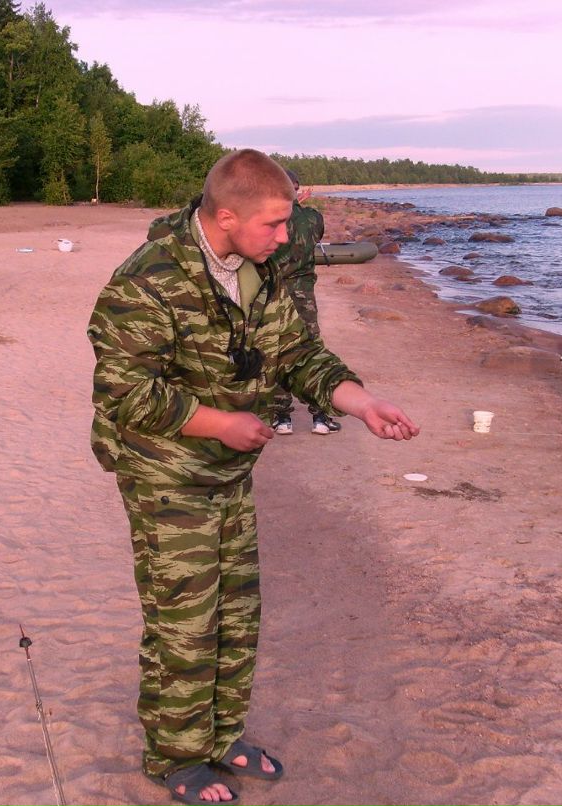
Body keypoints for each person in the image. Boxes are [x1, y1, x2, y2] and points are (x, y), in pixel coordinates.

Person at [87, 149, 419, 804]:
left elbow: (301, 355)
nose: (284, 236)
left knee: (237, 610)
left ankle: (222, 735)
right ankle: (177, 758)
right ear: (227, 215)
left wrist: (361, 402)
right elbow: (124, 393)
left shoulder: (255, 271)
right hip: (163, 471)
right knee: (185, 617)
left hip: (225, 471)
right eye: (273, 224)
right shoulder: (145, 282)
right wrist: (219, 422)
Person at [271, 169, 341, 435]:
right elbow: (314, 234)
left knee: (277, 350)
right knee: (310, 349)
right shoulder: (312, 218)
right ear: (297, 189)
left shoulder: (268, 220)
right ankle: (320, 416)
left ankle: (281, 417)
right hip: (303, 293)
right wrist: (298, 203)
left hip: (274, 292)